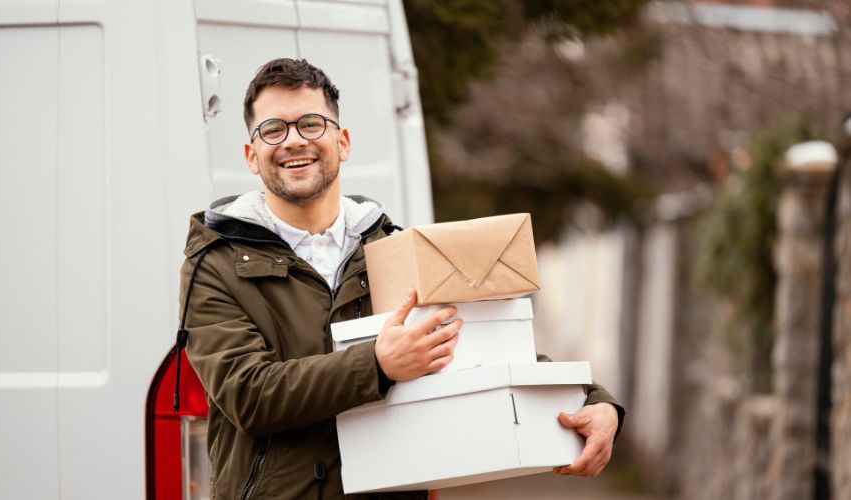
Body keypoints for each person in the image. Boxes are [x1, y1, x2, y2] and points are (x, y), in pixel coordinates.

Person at [180, 58, 625, 500]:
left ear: (343, 141)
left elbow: (479, 344)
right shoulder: (214, 262)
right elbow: (247, 395)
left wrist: (593, 401)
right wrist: (376, 364)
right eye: (273, 129)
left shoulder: (393, 248)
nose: (294, 141)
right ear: (251, 155)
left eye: (311, 124)